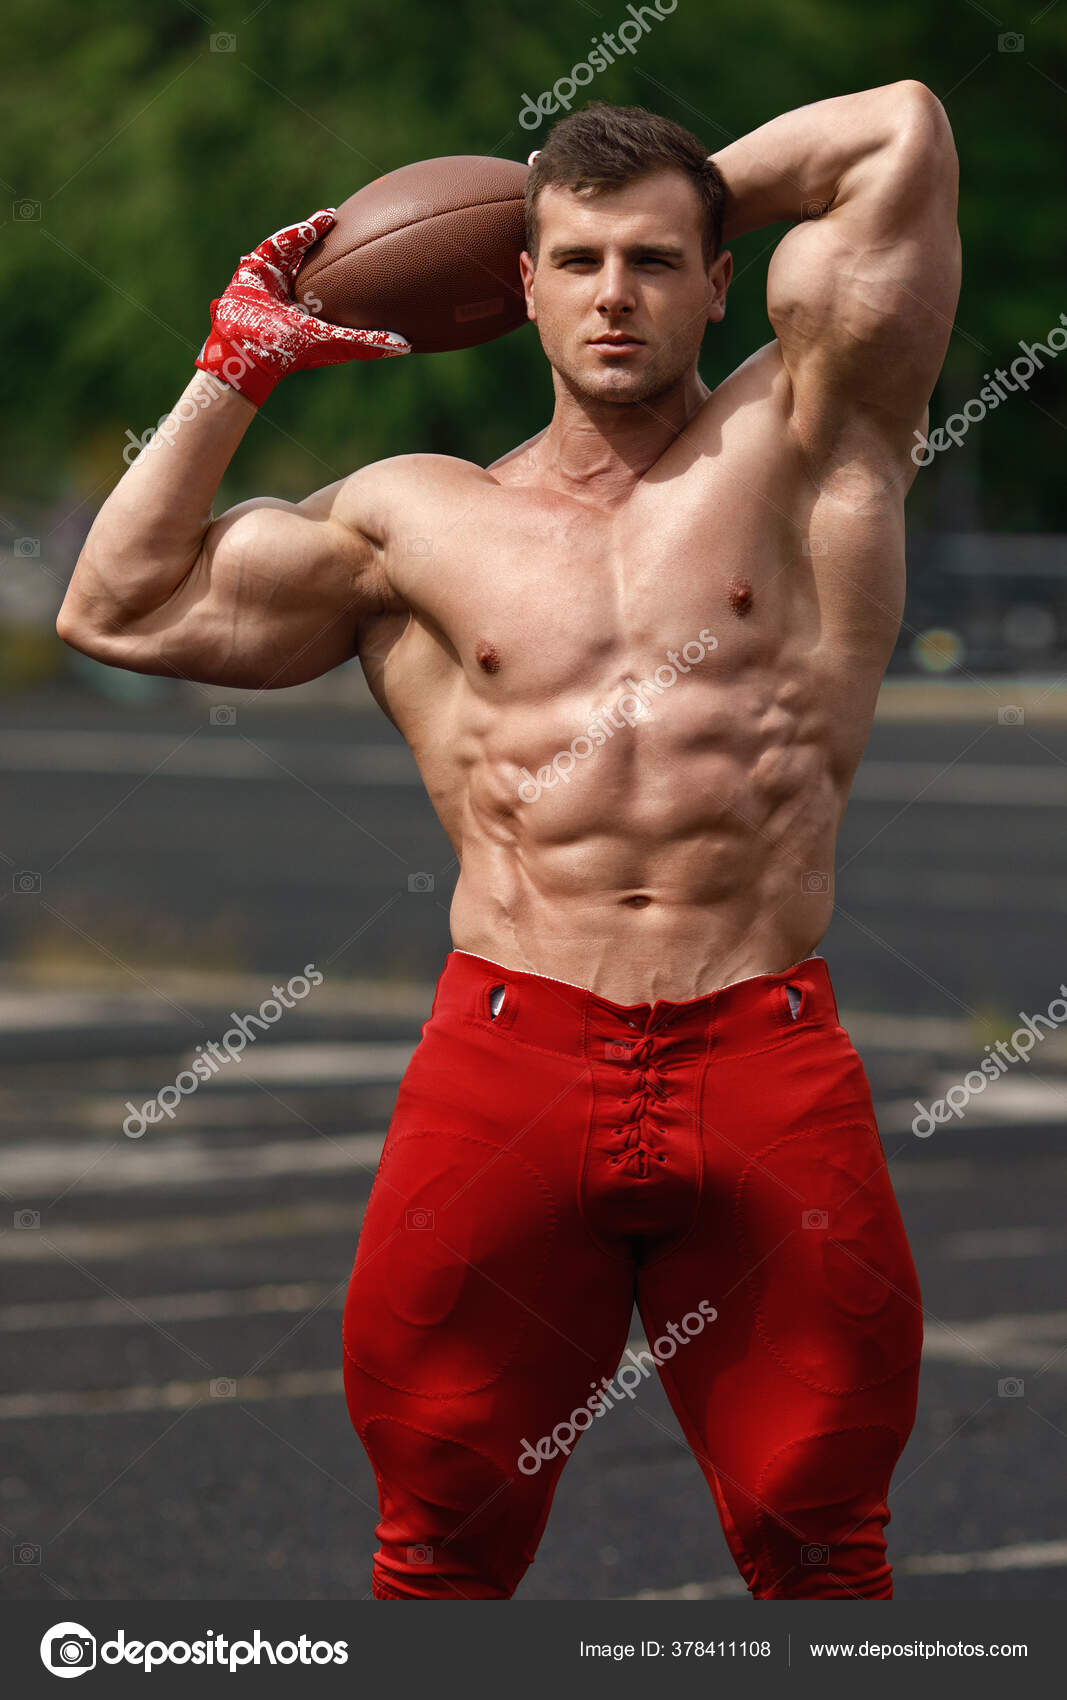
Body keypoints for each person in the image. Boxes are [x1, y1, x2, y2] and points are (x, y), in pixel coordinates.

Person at [56, 85, 961, 1601]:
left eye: (658, 263)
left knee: (822, 1520)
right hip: (511, 1053)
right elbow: (117, 607)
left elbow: (902, 134)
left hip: (762, 1044)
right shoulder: (416, 521)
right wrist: (234, 373)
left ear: (720, 277)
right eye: (578, 261)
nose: (616, 294)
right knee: (444, 1523)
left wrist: (642, 194)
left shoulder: (809, 438)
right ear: (517, 287)